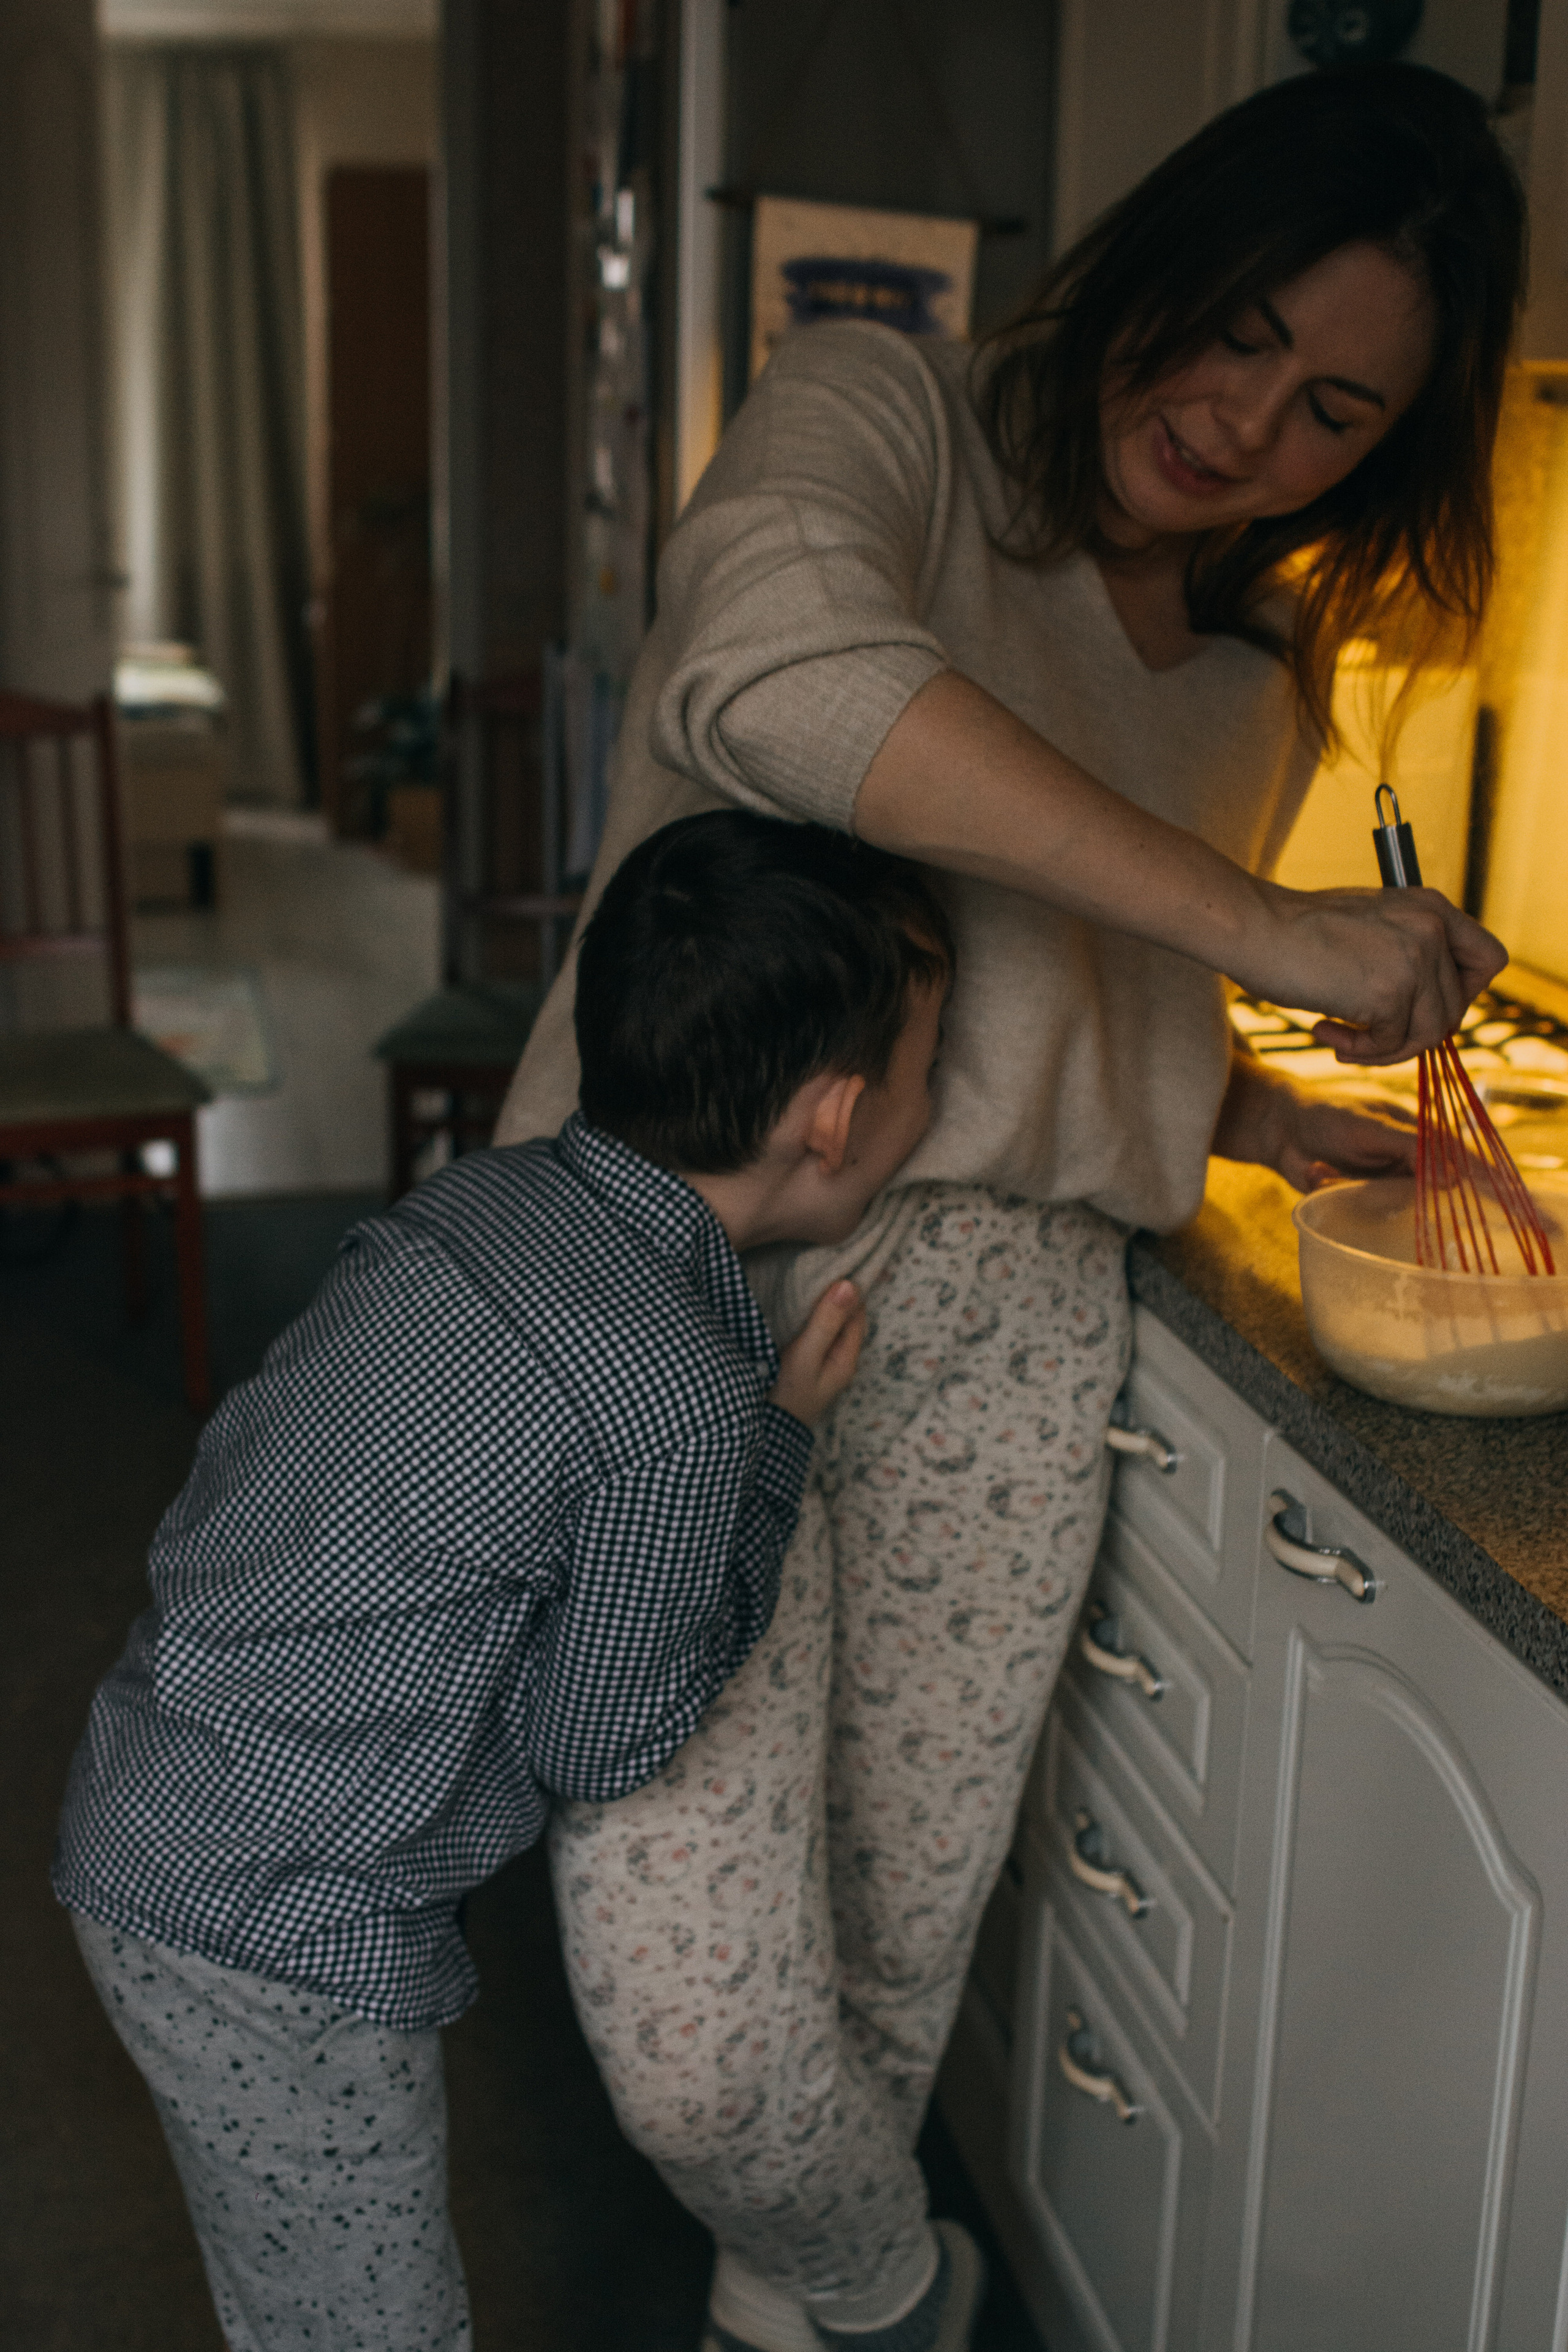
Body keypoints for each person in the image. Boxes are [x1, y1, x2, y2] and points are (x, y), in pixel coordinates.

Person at [491, 61, 1526, 2352]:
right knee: (695, 2022)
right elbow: (775, 686)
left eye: (1336, 410)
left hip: (1020, 1324)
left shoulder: (1259, 676)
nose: (1248, 426)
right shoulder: (885, 418)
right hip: (692, 1285)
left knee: (888, 1934)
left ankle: (785, 2323)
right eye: (1242, 328)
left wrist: (1251, 1107)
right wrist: (1273, 930)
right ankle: (899, 2287)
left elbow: (1072, 980)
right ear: (1168, 251)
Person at [52, 810, 955, 2352]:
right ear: (837, 1116)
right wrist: (776, 1450)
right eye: (931, 1070)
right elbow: (597, 1740)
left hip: (155, 1785)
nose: (935, 1105)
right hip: (274, 1923)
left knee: (298, 2296)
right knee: (363, 2325)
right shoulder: (683, 1403)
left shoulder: (477, 1199)